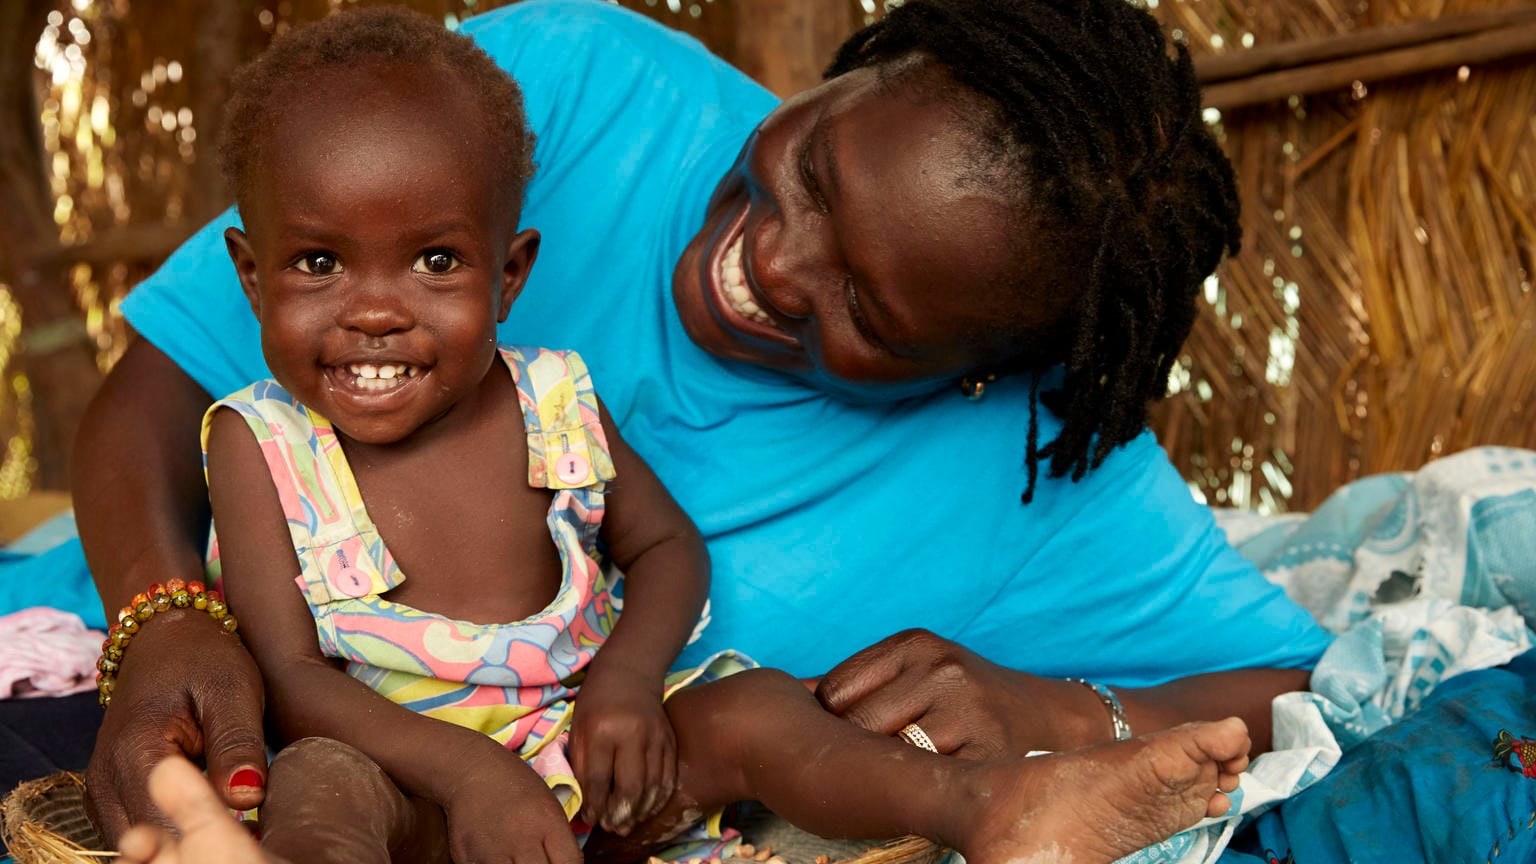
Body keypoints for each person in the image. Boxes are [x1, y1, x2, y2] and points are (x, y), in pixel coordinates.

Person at [71, 0, 1331, 843]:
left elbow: (1296, 687)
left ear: (987, 372)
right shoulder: (578, 86)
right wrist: (162, 618)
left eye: (869, 312)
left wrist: (1052, 712)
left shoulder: (1042, 475)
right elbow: (148, 403)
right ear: (853, 73)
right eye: (818, 171)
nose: (775, 264)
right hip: (286, 710)